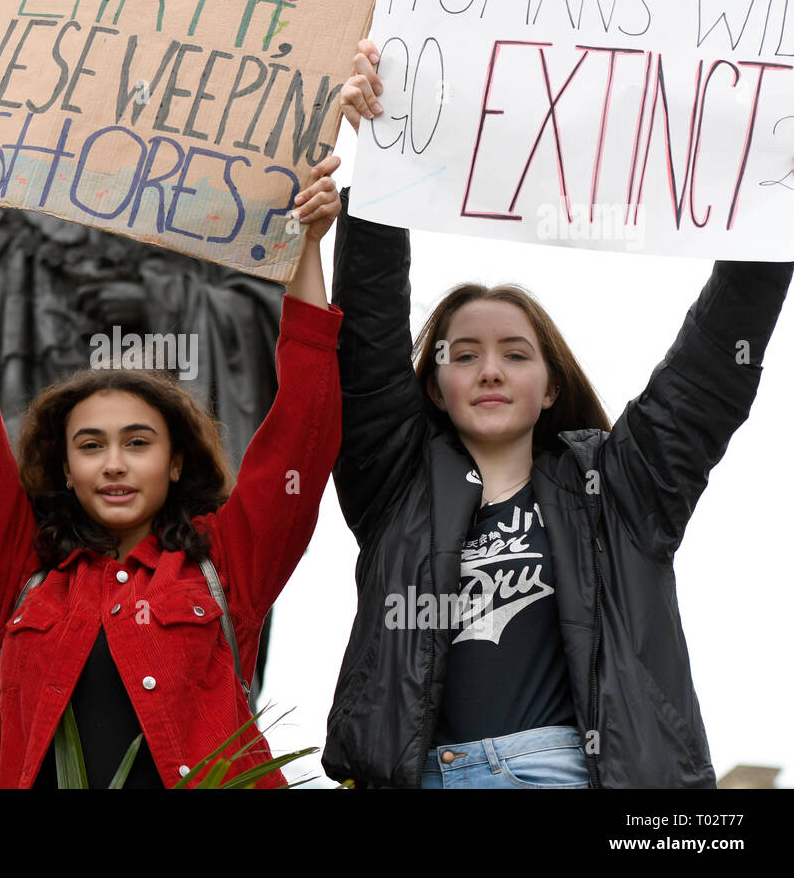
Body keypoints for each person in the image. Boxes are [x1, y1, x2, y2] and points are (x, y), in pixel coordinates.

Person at [324, 39, 793, 788]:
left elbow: (707, 374)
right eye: (464, 353)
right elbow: (369, 332)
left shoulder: (624, 493)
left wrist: (778, 201)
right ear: (436, 382)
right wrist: (380, 157)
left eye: (515, 353)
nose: (488, 370)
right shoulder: (395, 487)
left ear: (551, 386)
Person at [0, 160, 344, 787]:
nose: (114, 463)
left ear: (176, 461)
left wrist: (307, 246)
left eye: (137, 443)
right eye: (91, 446)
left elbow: (302, 433)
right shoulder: (25, 572)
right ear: (64, 468)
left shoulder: (227, 564)